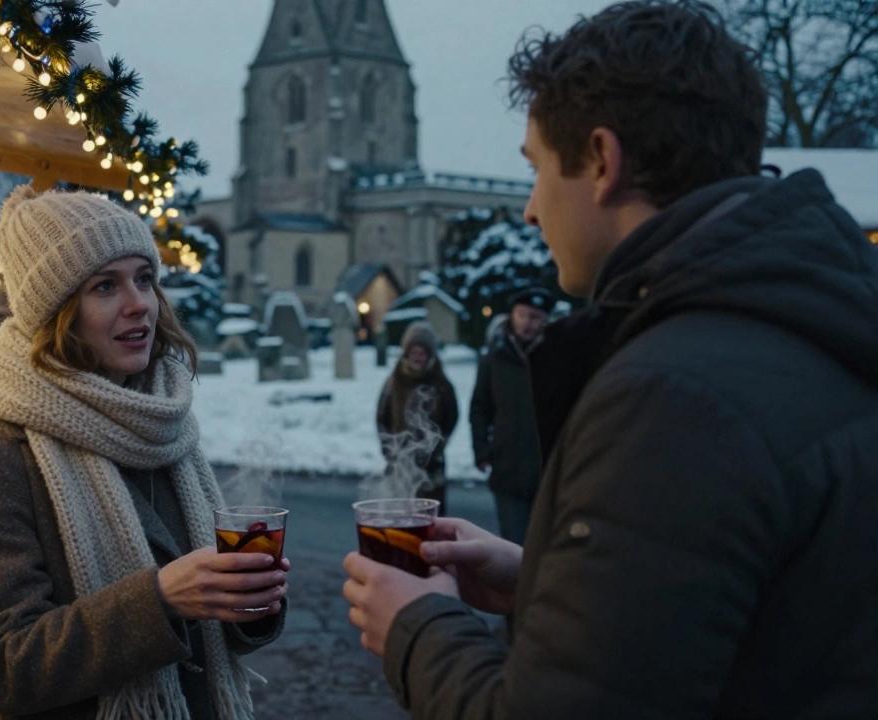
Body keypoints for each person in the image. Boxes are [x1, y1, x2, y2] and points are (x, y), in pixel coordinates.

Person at [342, 2, 878, 718]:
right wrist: (545, 581)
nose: (530, 210)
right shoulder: (809, 314)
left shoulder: (673, 393)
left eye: (536, 170)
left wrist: (415, 629)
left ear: (601, 161)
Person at [0, 186, 287, 720]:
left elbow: (206, 632)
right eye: (105, 285)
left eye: (144, 278)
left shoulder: (165, 431)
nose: (139, 303)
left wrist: (248, 604)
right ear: (56, 314)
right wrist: (160, 601)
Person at [469, 287, 554, 544]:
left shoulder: (557, 358)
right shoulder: (494, 359)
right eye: (523, 315)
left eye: (536, 317)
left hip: (548, 470)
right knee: (514, 544)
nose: (528, 323)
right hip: (507, 469)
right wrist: (481, 450)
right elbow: (480, 408)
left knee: (545, 544)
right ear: (512, 316)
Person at [375, 322, 459, 512]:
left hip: (432, 464)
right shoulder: (394, 382)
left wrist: (438, 445)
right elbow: (382, 416)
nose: (417, 358)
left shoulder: (441, 383)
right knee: (400, 515)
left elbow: (452, 416)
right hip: (399, 461)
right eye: (413, 352)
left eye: (422, 353)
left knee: (431, 517)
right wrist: (389, 449)